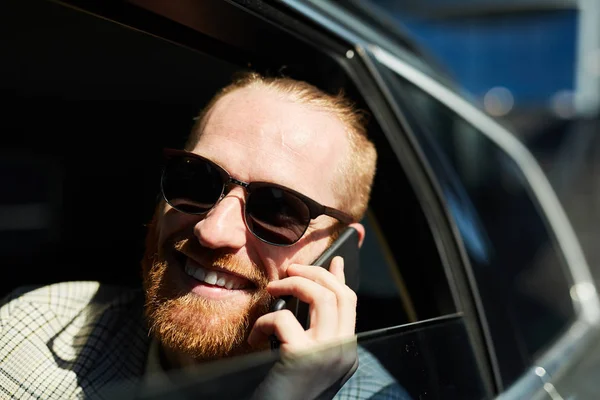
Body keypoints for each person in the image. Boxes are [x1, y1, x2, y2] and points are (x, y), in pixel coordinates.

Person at [0, 73, 408, 399]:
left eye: (278, 209)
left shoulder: (378, 396)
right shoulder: (31, 335)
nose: (212, 231)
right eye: (196, 180)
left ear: (340, 255)